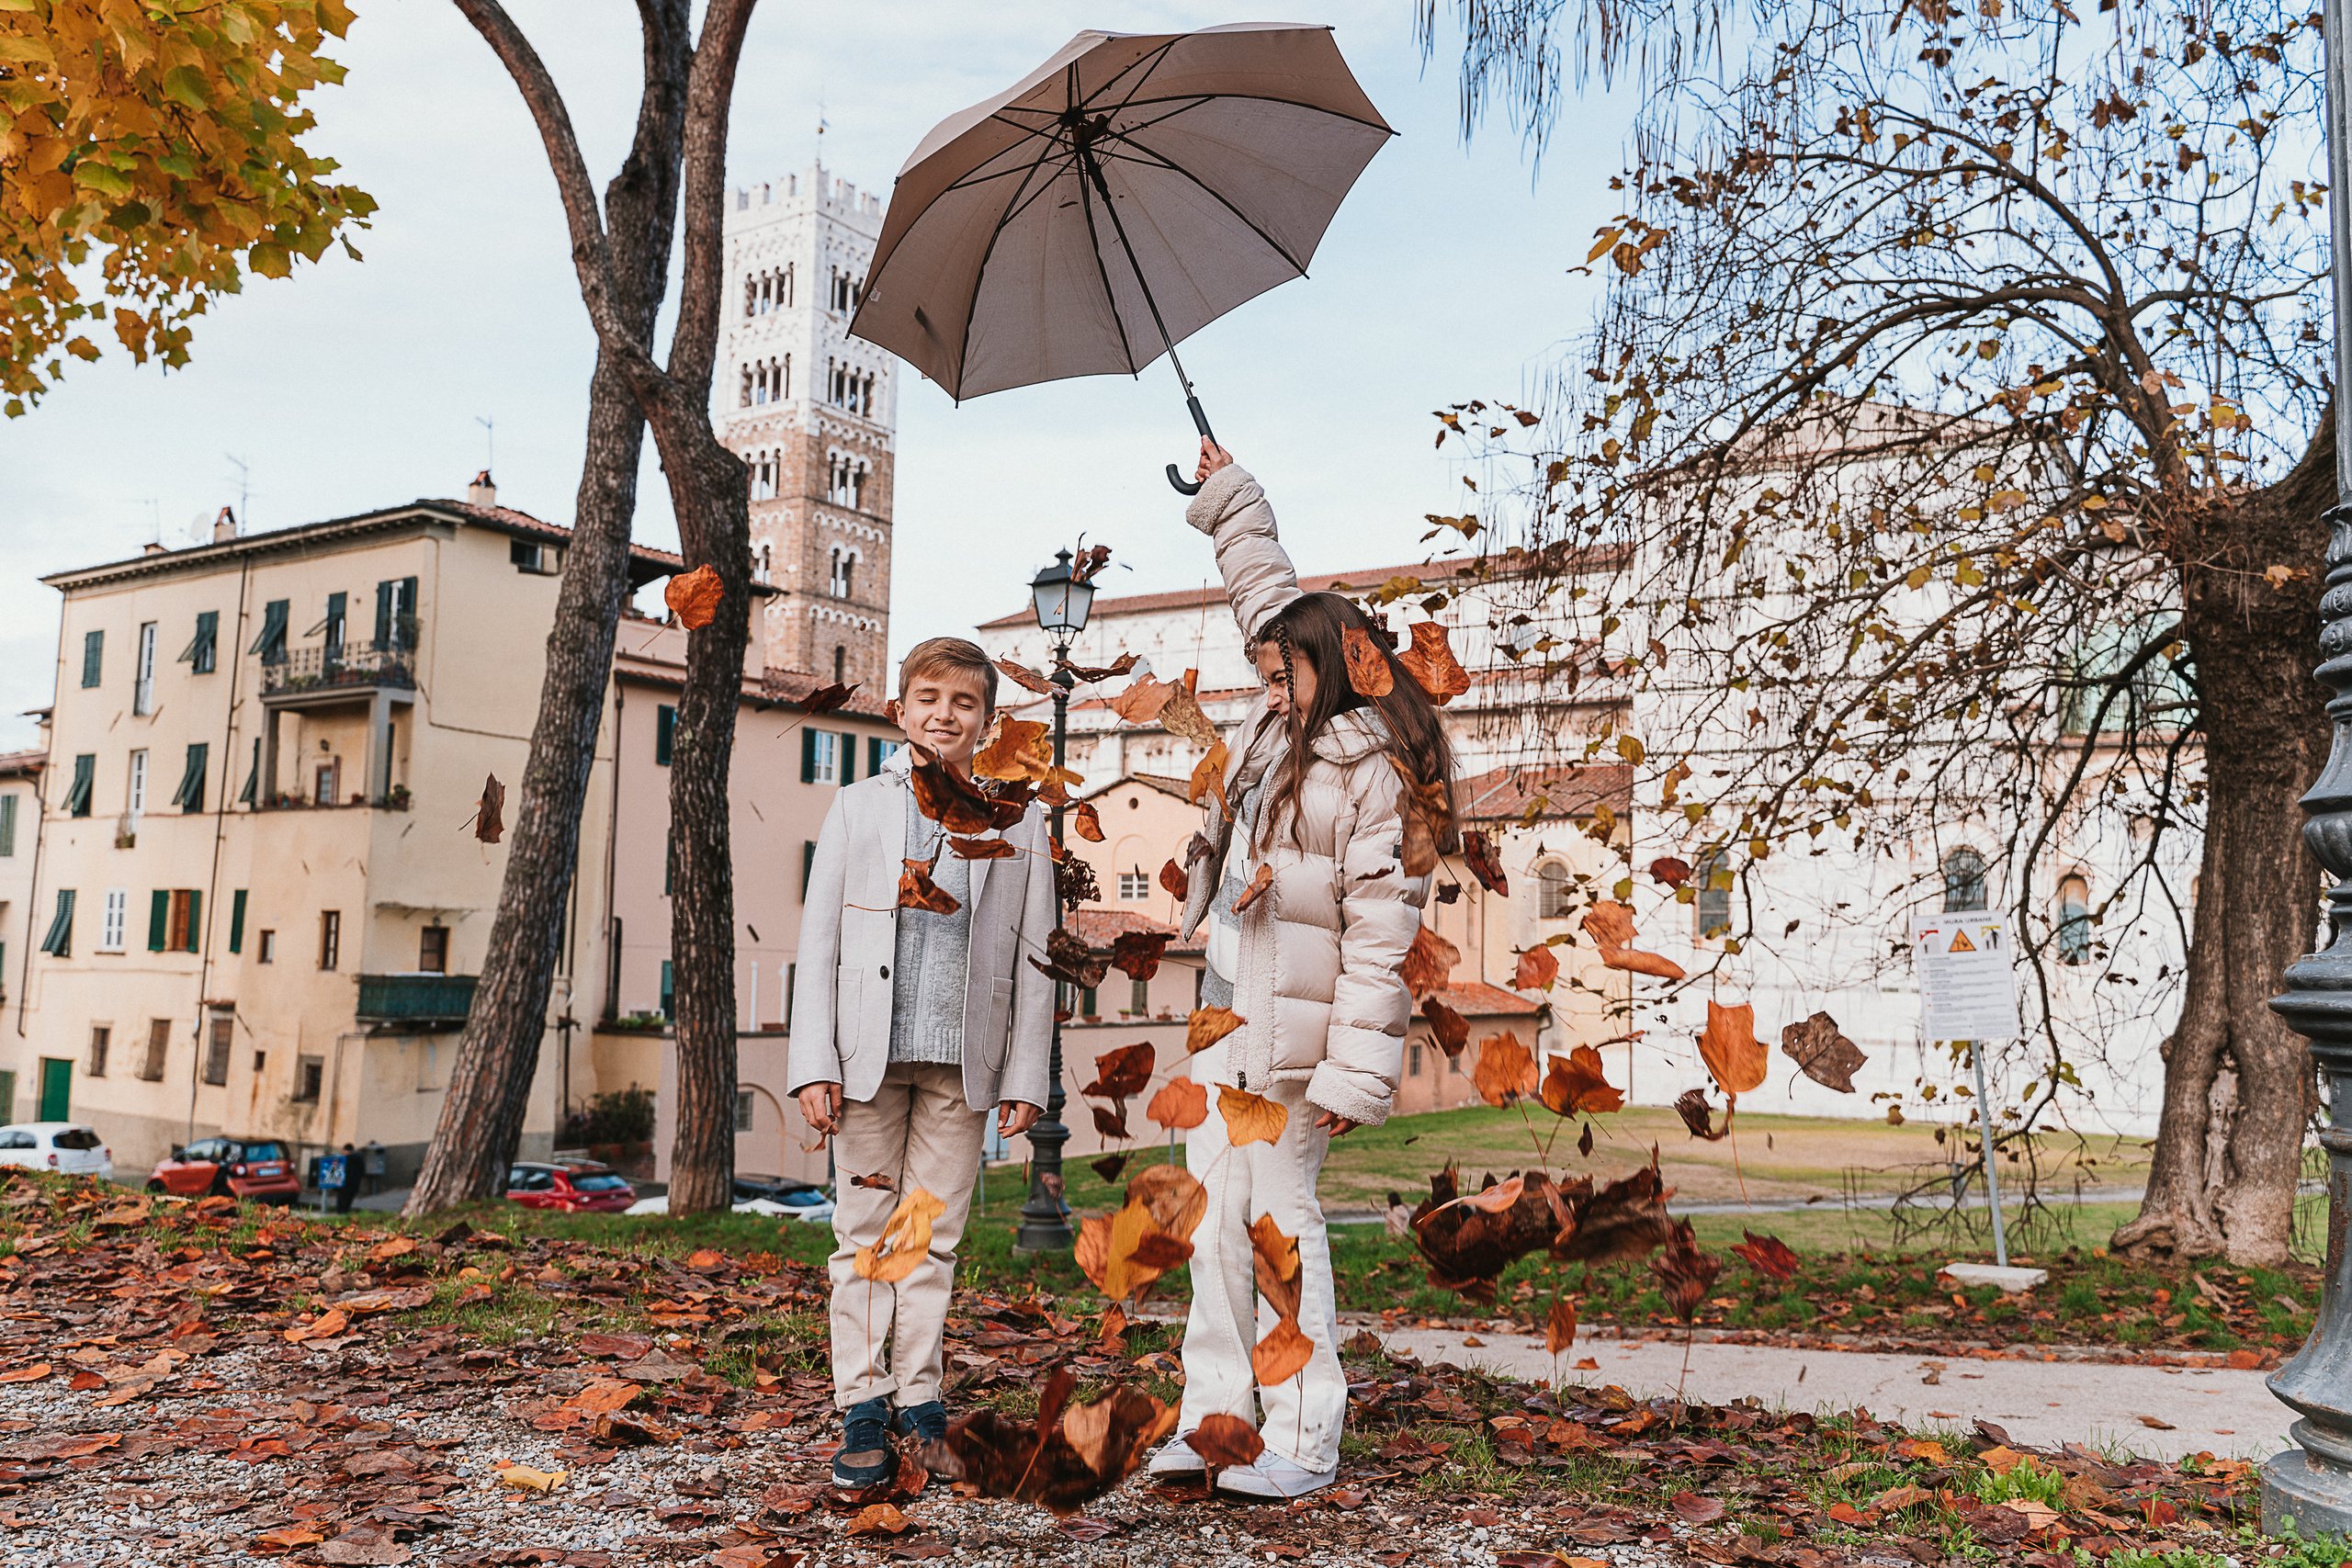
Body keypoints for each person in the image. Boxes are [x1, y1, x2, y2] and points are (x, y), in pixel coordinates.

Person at [1151, 440, 1454, 1499]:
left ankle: (1305, 1430)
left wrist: (1346, 1078)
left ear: (1334, 664)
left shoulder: (1372, 770)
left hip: (1298, 1047)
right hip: (1227, 1014)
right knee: (1211, 1234)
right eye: (1262, 673)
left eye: (1282, 673)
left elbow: (1383, 930)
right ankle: (1219, 1419)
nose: (1266, 685)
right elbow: (1264, 589)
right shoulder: (1278, 726)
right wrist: (1229, 492)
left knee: (1280, 1229)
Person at [787, 637, 1057, 1491]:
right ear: (901, 709)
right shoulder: (858, 807)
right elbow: (820, 939)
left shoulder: (1019, 817)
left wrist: (1024, 1075)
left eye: (964, 702)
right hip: (865, 1059)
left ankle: (920, 1393)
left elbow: (1033, 956)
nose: (945, 713)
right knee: (864, 1234)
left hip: (960, 1063)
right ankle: (863, 1399)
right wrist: (811, 1062)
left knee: (928, 1237)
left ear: (987, 719)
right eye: (929, 697)